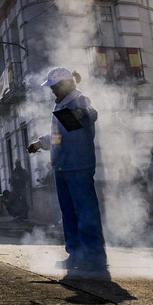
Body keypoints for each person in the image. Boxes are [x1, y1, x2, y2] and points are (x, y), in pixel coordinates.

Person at [27, 67, 108, 278]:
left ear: (64, 85)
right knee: (70, 214)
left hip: (78, 166)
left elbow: (91, 115)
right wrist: (40, 143)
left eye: (54, 87)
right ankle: (76, 255)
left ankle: (94, 258)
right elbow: (58, 136)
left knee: (85, 213)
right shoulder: (62, 105)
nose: (52, 92)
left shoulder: (78, 101)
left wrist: (81, 114)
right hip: (62, 167)